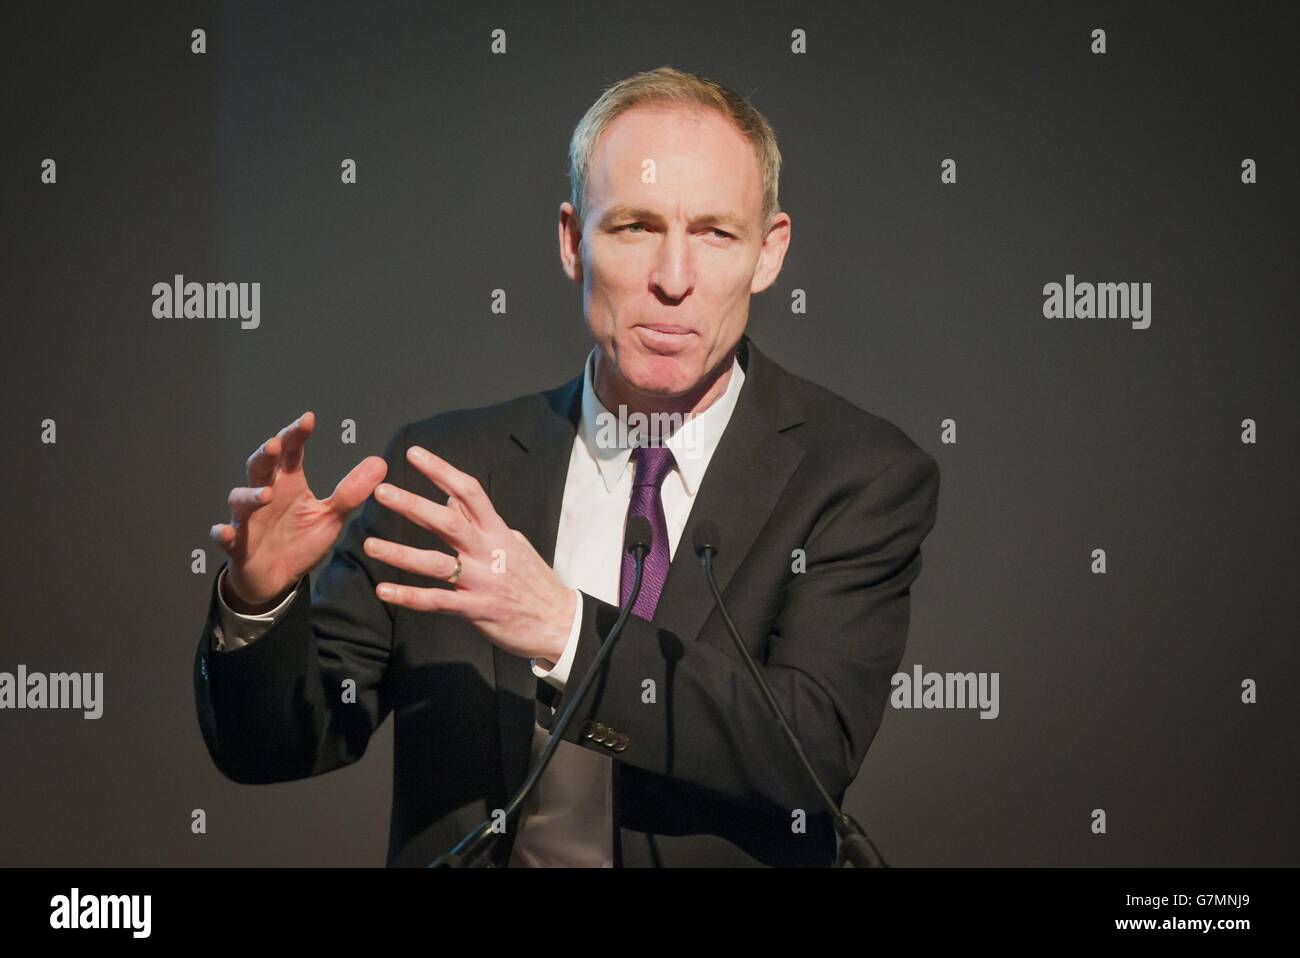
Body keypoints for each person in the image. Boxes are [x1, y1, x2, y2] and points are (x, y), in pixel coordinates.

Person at [195, 65, 941, 867]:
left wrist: (564, 631)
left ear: (769, 253)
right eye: (634, 227)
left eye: (716, 234)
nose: (674, 279)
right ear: (571, 240)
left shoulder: (855, 473)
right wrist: (260, 603)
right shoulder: (447, 472)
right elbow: (277, 746)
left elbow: (807, 750)